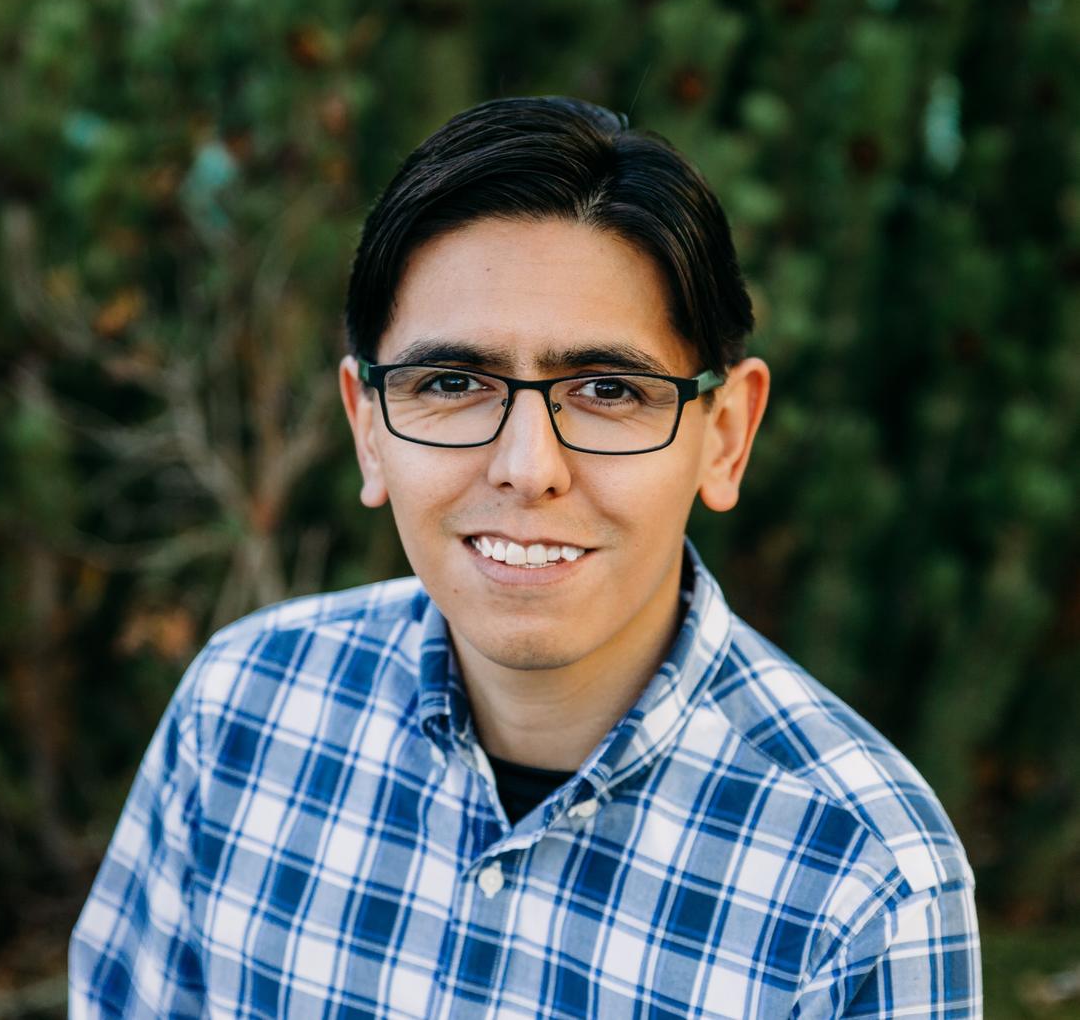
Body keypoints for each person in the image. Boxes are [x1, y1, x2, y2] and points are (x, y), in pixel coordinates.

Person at [70, 97, 982, 1017]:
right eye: (453, 383)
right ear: (368, 429)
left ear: (726, 436)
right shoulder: (241, 712)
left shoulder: (864, 876)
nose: (527, 469)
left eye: (607, 388)